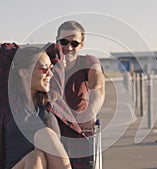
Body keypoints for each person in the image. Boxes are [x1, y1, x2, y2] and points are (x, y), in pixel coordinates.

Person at [0, 44, 72, 169]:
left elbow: (56, 50)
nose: (50, 74)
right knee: (37, 152)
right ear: (23, 73)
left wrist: (39, 55)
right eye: (44, 69)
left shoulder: (50, 102)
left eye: (51, 68)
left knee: (37, 155)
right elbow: (6, 51)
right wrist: (29, 53)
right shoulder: (11, 103)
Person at [53, 20, 106, 169]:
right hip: (51, 128)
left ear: (81, 45)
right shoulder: (47, 61)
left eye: (74, 43)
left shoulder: (88, 61)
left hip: (79, 128)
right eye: (64, 42)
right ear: (57, 42)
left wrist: (91, 112)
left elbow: (98, 87)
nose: (69, 47)